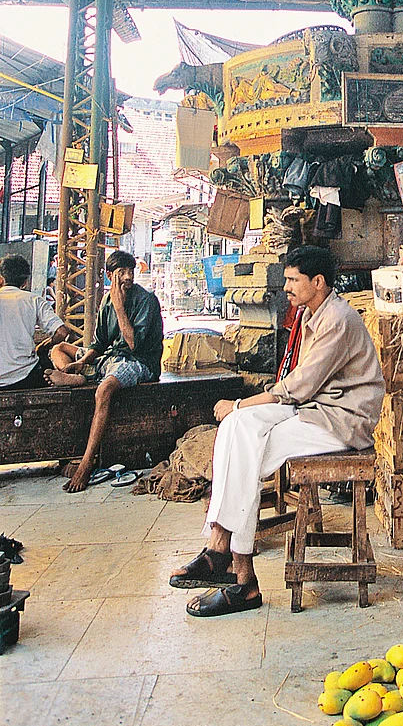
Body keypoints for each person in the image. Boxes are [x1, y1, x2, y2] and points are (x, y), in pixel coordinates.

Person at [169, 245, 385, 618]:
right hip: (317, 409)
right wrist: (241, 412)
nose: (285, 287)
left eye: (292, 280)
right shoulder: (311, 313)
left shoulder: (338, 318)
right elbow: (301, 388)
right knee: (237, 432)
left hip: (344, 421)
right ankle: (230, 562)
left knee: (243, 445)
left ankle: (236, 570)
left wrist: (240, 404)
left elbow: (300, 385)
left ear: (317, 282)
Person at [48, 248, 164, 493]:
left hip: (137, 362)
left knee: (105, 389)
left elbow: (134, 345)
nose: (128, 277)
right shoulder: (107, 300)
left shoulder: (146, 301)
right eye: (122, 272)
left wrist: (121, 309)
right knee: (59, 349)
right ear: (111, 275)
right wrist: (83, 359)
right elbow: (99, 342)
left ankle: (87, 462)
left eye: (130, 271)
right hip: (110, 358)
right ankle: (78, 374)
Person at [0, 254, 70, 390]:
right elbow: (62, 332)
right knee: (44, 360)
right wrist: (45, 345)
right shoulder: (34, 300)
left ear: (1, 279)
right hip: (26, 377)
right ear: (25, 282)